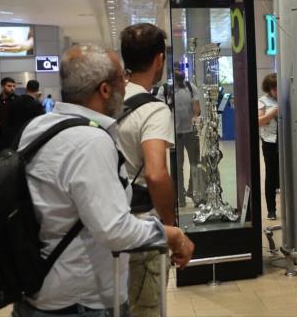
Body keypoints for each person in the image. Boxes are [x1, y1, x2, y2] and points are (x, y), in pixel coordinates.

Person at [13, 44, 193, 317]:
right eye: (121, 77)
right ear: (105, 89)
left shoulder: (38, 127)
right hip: (80, 301)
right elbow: (114, 230)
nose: (126, 82)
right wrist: (171, 233)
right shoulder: (90, 141)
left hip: (39, 289)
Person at [115, 23, 176, 317]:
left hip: (107, 220)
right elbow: (156, 173)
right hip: (142, 226)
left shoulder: (106, 99)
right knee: (146, 308)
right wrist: (170, 225)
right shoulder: (154, 109)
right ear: (159, 59)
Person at [171, 70, 200, 207]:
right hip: (175, 134)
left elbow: (196, 107)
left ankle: (193, 192)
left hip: (190, 132)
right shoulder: (166, 90)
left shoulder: (190, 87)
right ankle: (180, 196)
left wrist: (194, 116)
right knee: (178, 166)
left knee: (195, 163)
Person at [257, 73, 280, 220]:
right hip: (270, 142)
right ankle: (271, 209)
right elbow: (259, 121)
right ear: (269, 89)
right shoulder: (263, 101)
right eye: (274, 88)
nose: (277, 91)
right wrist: (273, 113)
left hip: (285, 141)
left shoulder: (285, 98)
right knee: (271, 176)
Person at [4, 79, 45, 146]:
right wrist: (37, 100)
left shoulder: (14, 101)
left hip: (13, 137)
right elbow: (42, 122)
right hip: (28, 138)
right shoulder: (37, 105)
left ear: (26, 88)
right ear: (38, 90)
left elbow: (8, 120)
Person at [0, 76, 18, 149]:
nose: (12, 88)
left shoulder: (18, 100)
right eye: (9, 86)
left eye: (14, 86)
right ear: (3, 86)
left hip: (13, 137)